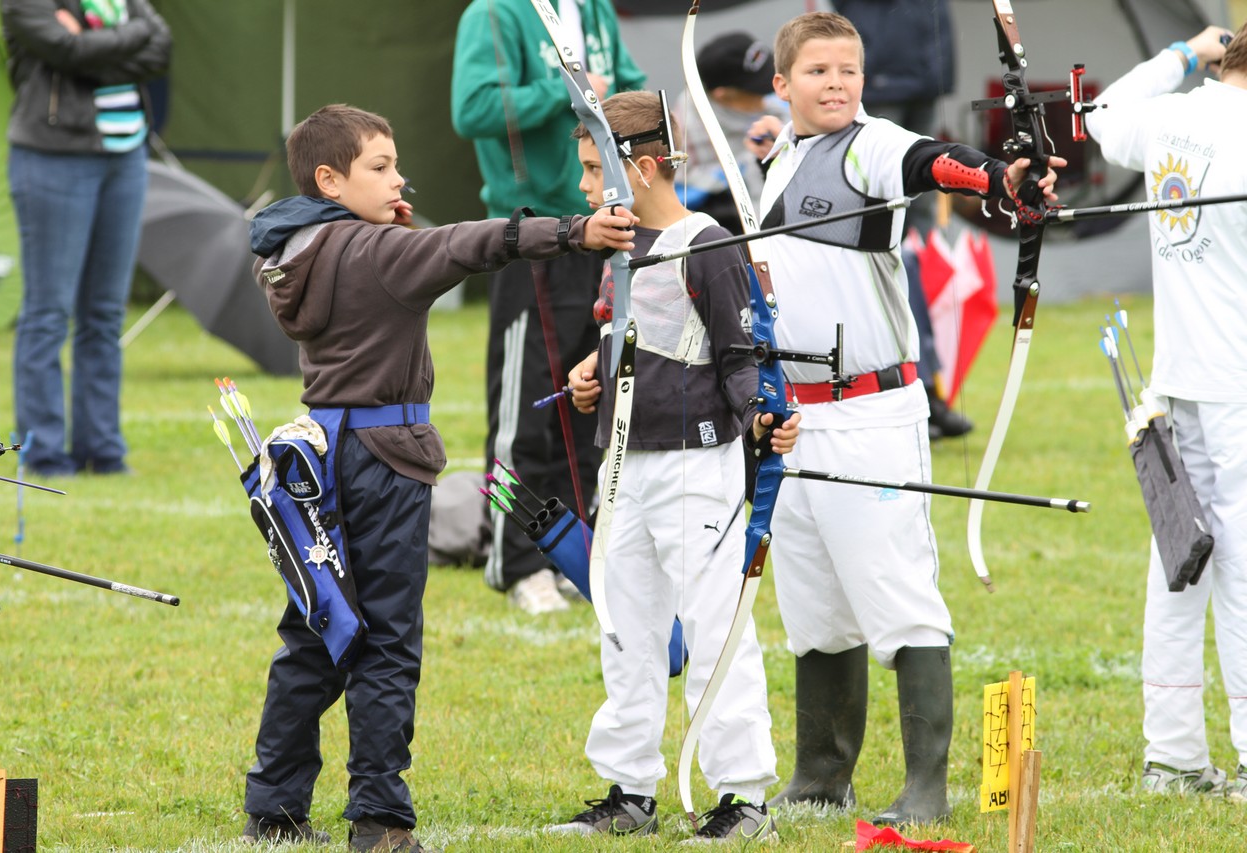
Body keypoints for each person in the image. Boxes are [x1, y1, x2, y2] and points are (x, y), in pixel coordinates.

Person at [240, 103, 634, 850]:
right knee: (387, 639)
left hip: (318, 462)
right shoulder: (382, 252)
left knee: (316, 627)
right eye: (379, 168)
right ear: (329, 178)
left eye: (396, 164)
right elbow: (473, 243)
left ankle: (275, 806)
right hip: (384, 462)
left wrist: (391, 225)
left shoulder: (299, 246)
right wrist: (575, 231)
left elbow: (419, 256)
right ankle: (380, 820)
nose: (399, 178)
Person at [744, 12, 1063, 824]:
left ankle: (926, 785)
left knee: (898, 596)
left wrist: (1002, 178)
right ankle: (821, 775)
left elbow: (931, 162)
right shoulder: (781, 157)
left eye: (848, 69)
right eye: (818, 71)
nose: (837, 83)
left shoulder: (871, 144)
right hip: (798, 418)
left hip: (871, 413)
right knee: (815, 608)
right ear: (783, 84)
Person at [548, 91, 799, 842]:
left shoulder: (708, 244)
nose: (587, 190)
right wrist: (592, 371)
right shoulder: (617, 250)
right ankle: (629, 790)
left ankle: (743, 795)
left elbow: (740, 354)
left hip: (697, 466)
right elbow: (625, 340)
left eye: (598, 172)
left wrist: (762, 412)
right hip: (625, 463)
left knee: (717, 624)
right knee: (625, 628)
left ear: (646, 166)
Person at [1085, 23, 1247, 801]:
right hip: (1237, 384)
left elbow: (1102, 111)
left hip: (1182, 378)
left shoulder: (1175, 113)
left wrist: (1185, 53)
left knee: (1181, 562)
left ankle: (1174, 756)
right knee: (1235, 566)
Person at [451, 0, 647, 615]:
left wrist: (631, 102)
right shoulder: (495, 12)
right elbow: (474, 107)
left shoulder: (594, 10)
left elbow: (632, 92)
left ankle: (572, 552)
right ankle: (515, 561)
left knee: (593, 399)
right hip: (531, 231)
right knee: (525, 408)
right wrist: (568, 91)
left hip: (602, 225)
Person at [0, 0, 171, 477]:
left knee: (104, 315)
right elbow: (64, 50)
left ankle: (102, 451)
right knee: (49, 312)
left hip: (127, 158)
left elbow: (160, 45)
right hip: (53, 158)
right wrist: (110, 42)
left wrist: (89, 45)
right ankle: (45, 454)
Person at [834, 0, 972, 440]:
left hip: (926, 80)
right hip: (887, 84)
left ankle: (929, 393)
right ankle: (911, 392)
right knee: (888, 248)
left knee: (918, 252)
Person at [677, 31, 790, 233]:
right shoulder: (687, 135)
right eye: (759, 89)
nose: (776, 90)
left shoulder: (779, 102)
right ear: (724, 94)